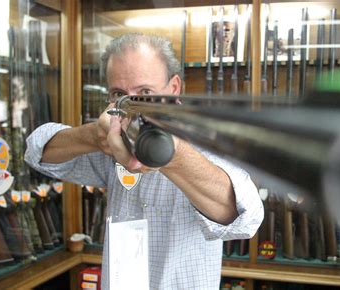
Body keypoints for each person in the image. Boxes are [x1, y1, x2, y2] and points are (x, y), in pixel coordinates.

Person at [24, 33, 264, 289]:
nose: (132, 106)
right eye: (119, 94)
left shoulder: (209, 137)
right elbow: (37, 151)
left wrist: (173, 154)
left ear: (173, 89)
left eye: (145, 92)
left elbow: (247, 218)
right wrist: (93, 136)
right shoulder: (112, 144)